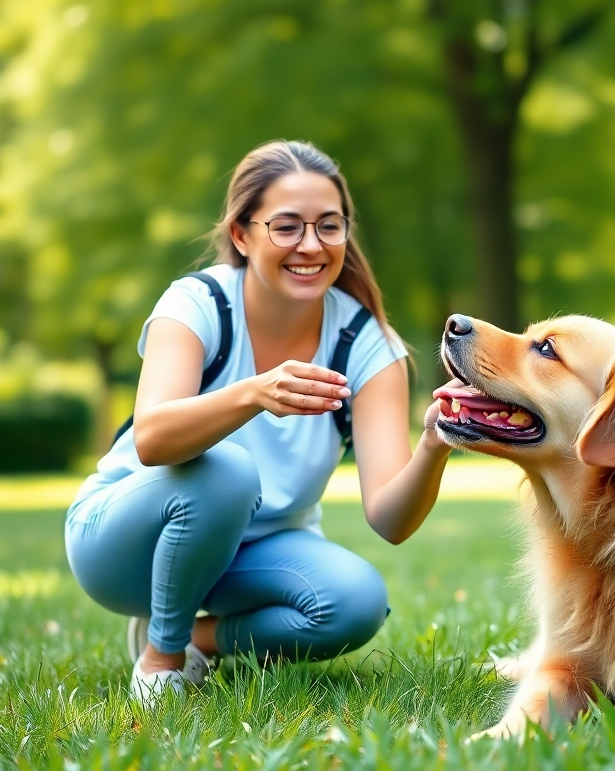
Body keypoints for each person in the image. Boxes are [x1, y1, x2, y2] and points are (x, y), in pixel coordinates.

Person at [65, 140, 453, 702]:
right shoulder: (197, 304)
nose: (311, 246)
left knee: (356, 600)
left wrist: (434, 446)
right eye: (287, 227)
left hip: (252, 558)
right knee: (226, 469)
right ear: (243, 234)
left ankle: (202, 637)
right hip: (124, 545)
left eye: (329, 226)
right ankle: (162, 656)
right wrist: (252, 392)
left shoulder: (367, 346)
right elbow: (151, 441)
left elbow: (390, 519)